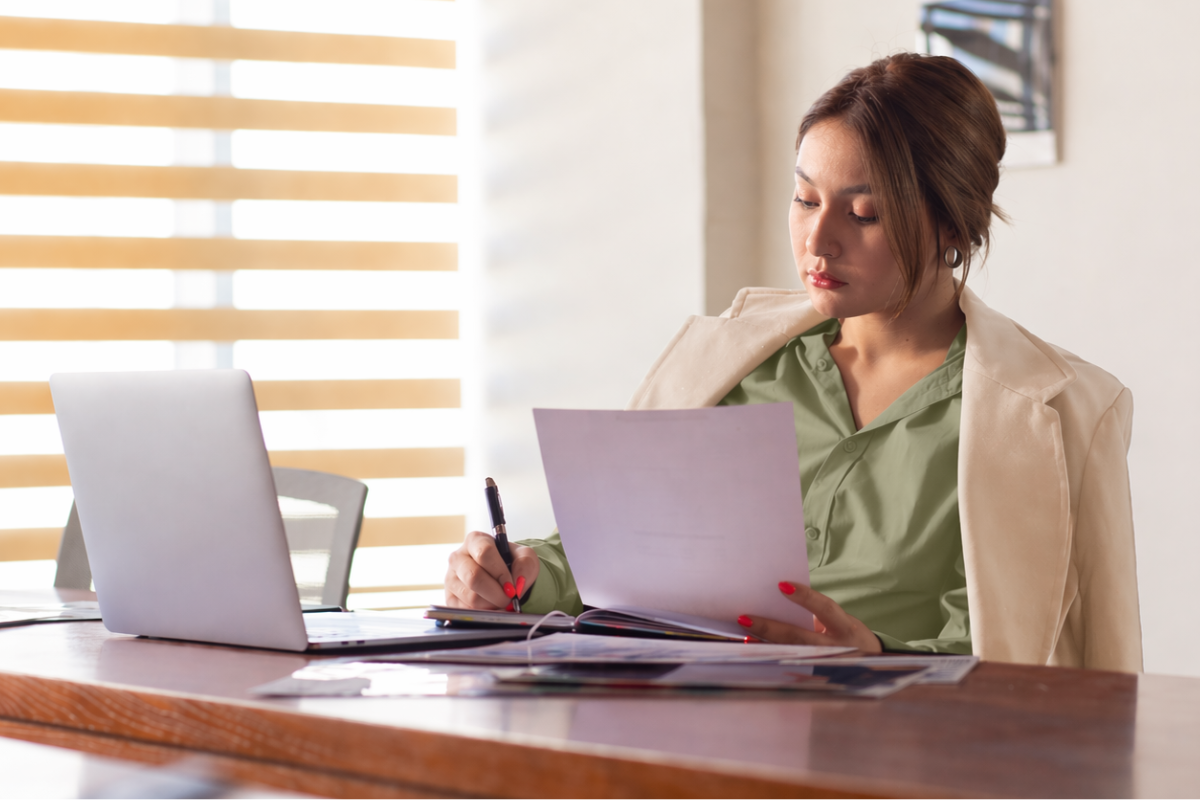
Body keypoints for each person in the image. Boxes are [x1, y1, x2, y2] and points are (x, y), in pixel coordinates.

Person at [444, 53, 1143, 672]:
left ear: (952, 226)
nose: (818, 239)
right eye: (805, 199)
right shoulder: (737, 365)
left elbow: (1054, 659)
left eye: (862, 214)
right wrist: (523, 575)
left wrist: (871, 655)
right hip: (682, 742)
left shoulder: (1057, 412)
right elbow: (619, 556)